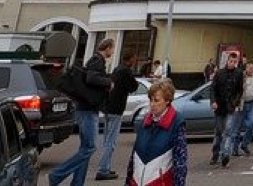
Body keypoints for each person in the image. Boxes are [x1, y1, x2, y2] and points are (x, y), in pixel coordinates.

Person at [49, 38, 114, 186]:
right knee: (90, 147)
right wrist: (108, 82)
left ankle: (78, 182)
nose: (113, 52)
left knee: (85, 148)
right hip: (87, 109)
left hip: (87, 108)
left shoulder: (95, 60)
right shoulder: (97, 60)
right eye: (112, 48)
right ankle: (57, 174)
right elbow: (92, 78)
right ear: (108, 48)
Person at [126, 79, 187, 186]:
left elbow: (180, 163)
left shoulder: (176, 123)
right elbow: (133, 158)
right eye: (151, 100)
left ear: (167, 100)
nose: (152, 104)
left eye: (156, 100)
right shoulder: (145, 121)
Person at [95, 47, 139, 180]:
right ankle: (103, 169)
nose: (135, 61)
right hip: (116, 108)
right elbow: (134, 86)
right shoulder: (126, 71)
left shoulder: (116, 69)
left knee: (107, 138)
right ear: (130, 59)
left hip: (109, 107)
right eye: (134, 59)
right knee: (111, 141)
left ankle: (105, 167)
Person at [209, 52, 243, 167]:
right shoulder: (219, 73)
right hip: (219, 107)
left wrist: (236, 102)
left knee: (228, 131)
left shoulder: (238, 73)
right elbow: (212, 89)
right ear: (227, 61)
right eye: (231, 61)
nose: (233, 64)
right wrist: (213, 102)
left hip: (230, 107)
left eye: (235, 62)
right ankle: (215, 154)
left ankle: (225, 155)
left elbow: (240, 90)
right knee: (219, 132)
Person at [235, 60, 253, 156]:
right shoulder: (241, 76)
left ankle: (244, 144)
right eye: (251, 68)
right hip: (241, 105)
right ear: (246, 68)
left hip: (251, 104)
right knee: (237, 127)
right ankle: (235, 148)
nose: (252, 70)